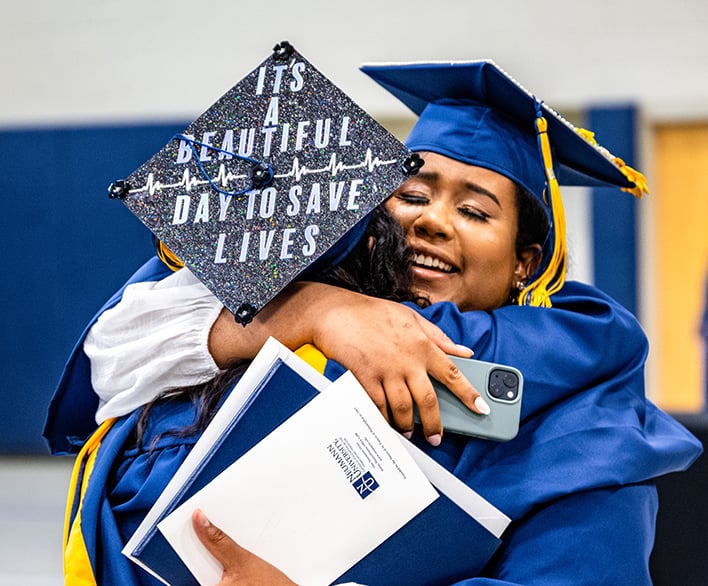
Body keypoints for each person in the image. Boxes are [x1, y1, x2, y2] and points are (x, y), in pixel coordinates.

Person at [46, 59, 702, 585]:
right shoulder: (294, 311)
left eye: (475, 212)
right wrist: (319, 310)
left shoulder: (584, 417)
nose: (431, 220)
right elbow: (112, 362)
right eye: (410, 195)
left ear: (526, 262)